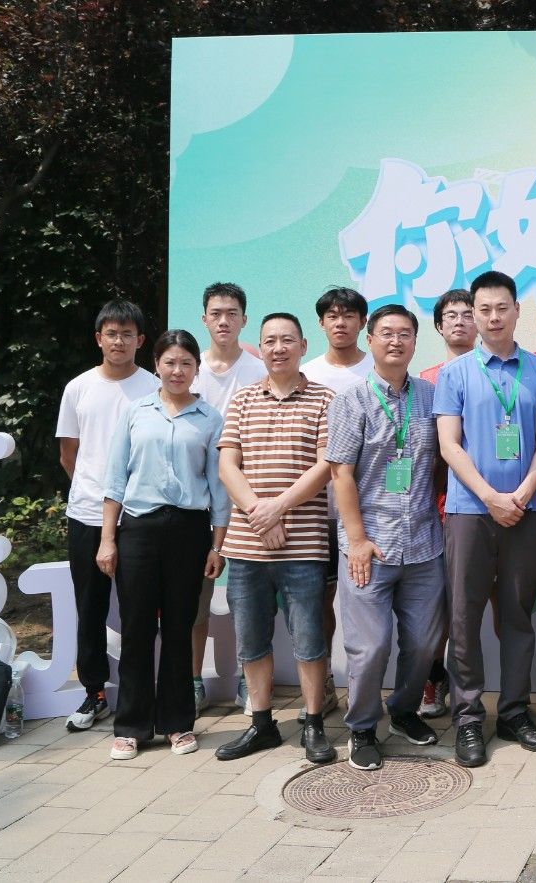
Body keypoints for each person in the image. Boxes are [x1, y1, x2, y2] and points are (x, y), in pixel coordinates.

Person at [435, 271, 536, 767]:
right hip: (470, 511)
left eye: (501, 308)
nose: (492, 317)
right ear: (474, 314)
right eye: (483, 309)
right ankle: (468, 717)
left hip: (526, 512)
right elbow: (450, 445)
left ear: (516, 311)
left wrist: (524, 493)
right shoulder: (456, 373)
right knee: (464, 619)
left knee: (517, 615)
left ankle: (513, 711)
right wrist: (490, 497)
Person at [97, 330, 228, 759]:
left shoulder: (210, 419)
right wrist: (107, 539)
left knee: (179, 626)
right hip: (139, 529)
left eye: (186, 363)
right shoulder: (136, 413)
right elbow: (116, 479)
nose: (177, 371)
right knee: (135, 627)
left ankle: (177, 722)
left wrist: (217, 545)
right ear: (156, 365)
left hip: (189, 531)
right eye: (170, 362)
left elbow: (218, 487)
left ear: (196, 369)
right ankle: (131, 726)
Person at [214, 313, 338, 764]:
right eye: (270, 341)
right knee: (251, 641)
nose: (278, 348)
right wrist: (258, 513)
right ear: (260, 347)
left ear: (303, 346)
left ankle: (314, 723)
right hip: (247, 546)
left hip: (304, 544)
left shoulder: (325, 399)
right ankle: (262, 724)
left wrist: (277, 508)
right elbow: (228, 465)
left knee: (309, 640)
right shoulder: (242, 399)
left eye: (287, 340)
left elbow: (326, 465)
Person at [327, 305, 445, 771]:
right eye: (387, 333)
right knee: (371, 646)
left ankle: (403, 711)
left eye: (405, 334)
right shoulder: (351, 400)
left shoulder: (432, 396)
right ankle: (361, 727)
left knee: (424, 644)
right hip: (370, 546)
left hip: (424, 543)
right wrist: (357, 540)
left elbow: (441, 462)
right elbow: (340, 474)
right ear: (370, 340)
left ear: (415, 341)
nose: (396, 341)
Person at [56, 300, 160, 732]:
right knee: (90, 608)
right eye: (112, 334)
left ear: (141, 340)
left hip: (140, 516)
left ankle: (139, 697)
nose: (119, 341)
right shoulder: (78, 388)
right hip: (86, 515)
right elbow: (69, 454)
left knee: (140, 610)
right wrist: (98, 498)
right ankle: (94, 693)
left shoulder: (155, 386)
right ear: (99, 339)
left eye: (127, 334)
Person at [301, 286, 373, 719]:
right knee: (319, 602)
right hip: (316, 512)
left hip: (367, 512)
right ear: (322, 323)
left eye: (348, 315)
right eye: (332, 315)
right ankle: (324, 682)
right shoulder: (307, 373)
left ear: (363, 323)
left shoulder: (377, 369)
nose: (340, 322)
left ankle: (369, 689)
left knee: (368, 602)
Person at [194, 282, 261, 715]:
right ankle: (193, 681)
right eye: (216, 313)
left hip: (249, 496)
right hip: (198, 502)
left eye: (231, 313)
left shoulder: (259, 369)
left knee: (246, 597)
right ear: (204, 319)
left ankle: (245, 679)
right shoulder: (189, 367)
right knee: (196, 599)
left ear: (243, 319)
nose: (223, 320)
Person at [417, 288, 478, 718]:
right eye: (450, 315)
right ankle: (432, 681)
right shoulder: (425, 380)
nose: (459, 321)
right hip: (436, 508)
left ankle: (486, 689)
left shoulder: (500, 371)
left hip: (487, 505)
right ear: (439, 326)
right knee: (439, 606)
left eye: (467, 313)